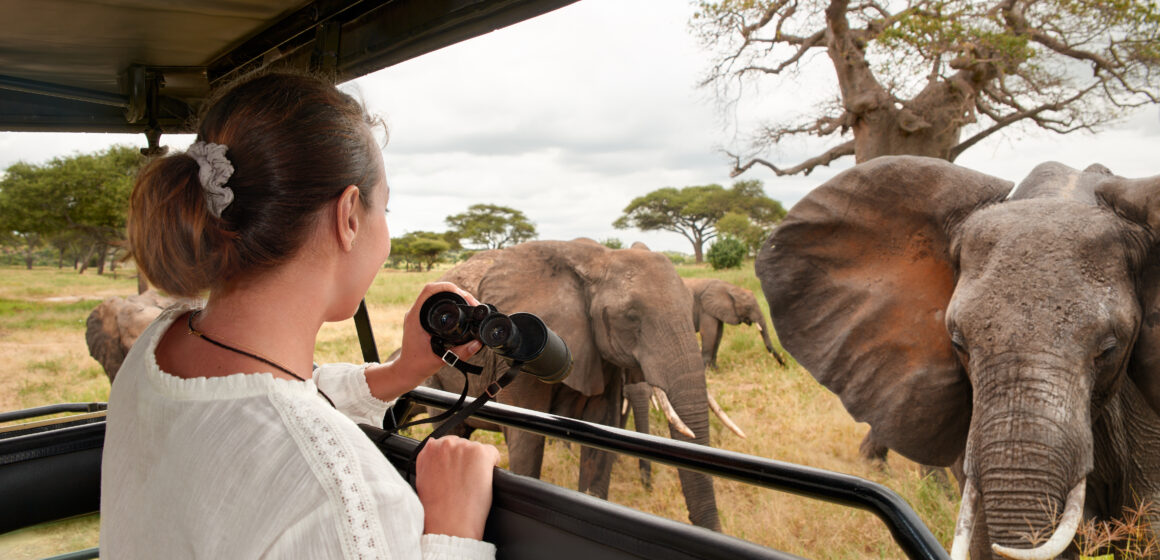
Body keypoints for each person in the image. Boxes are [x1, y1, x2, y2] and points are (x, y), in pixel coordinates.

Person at [100, 71, 500, 559]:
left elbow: (255, 404)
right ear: (349, 215)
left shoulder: (159, 343)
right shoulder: (344, 496)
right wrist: (453, 532)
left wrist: (399, 373)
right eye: (386, 211)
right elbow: (283, 425)